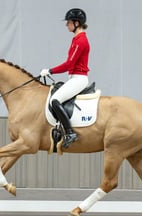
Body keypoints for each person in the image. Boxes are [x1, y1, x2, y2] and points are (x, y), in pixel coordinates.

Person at [40, 8, 90, 148]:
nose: (66, 25)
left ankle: (70, 132)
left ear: (76, 23)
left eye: (68, 22)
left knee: (55, 100)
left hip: (79, 79)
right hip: (74, 77)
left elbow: (69, 64)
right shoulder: (76, 39)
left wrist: (50, 70)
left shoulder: (81, 41)